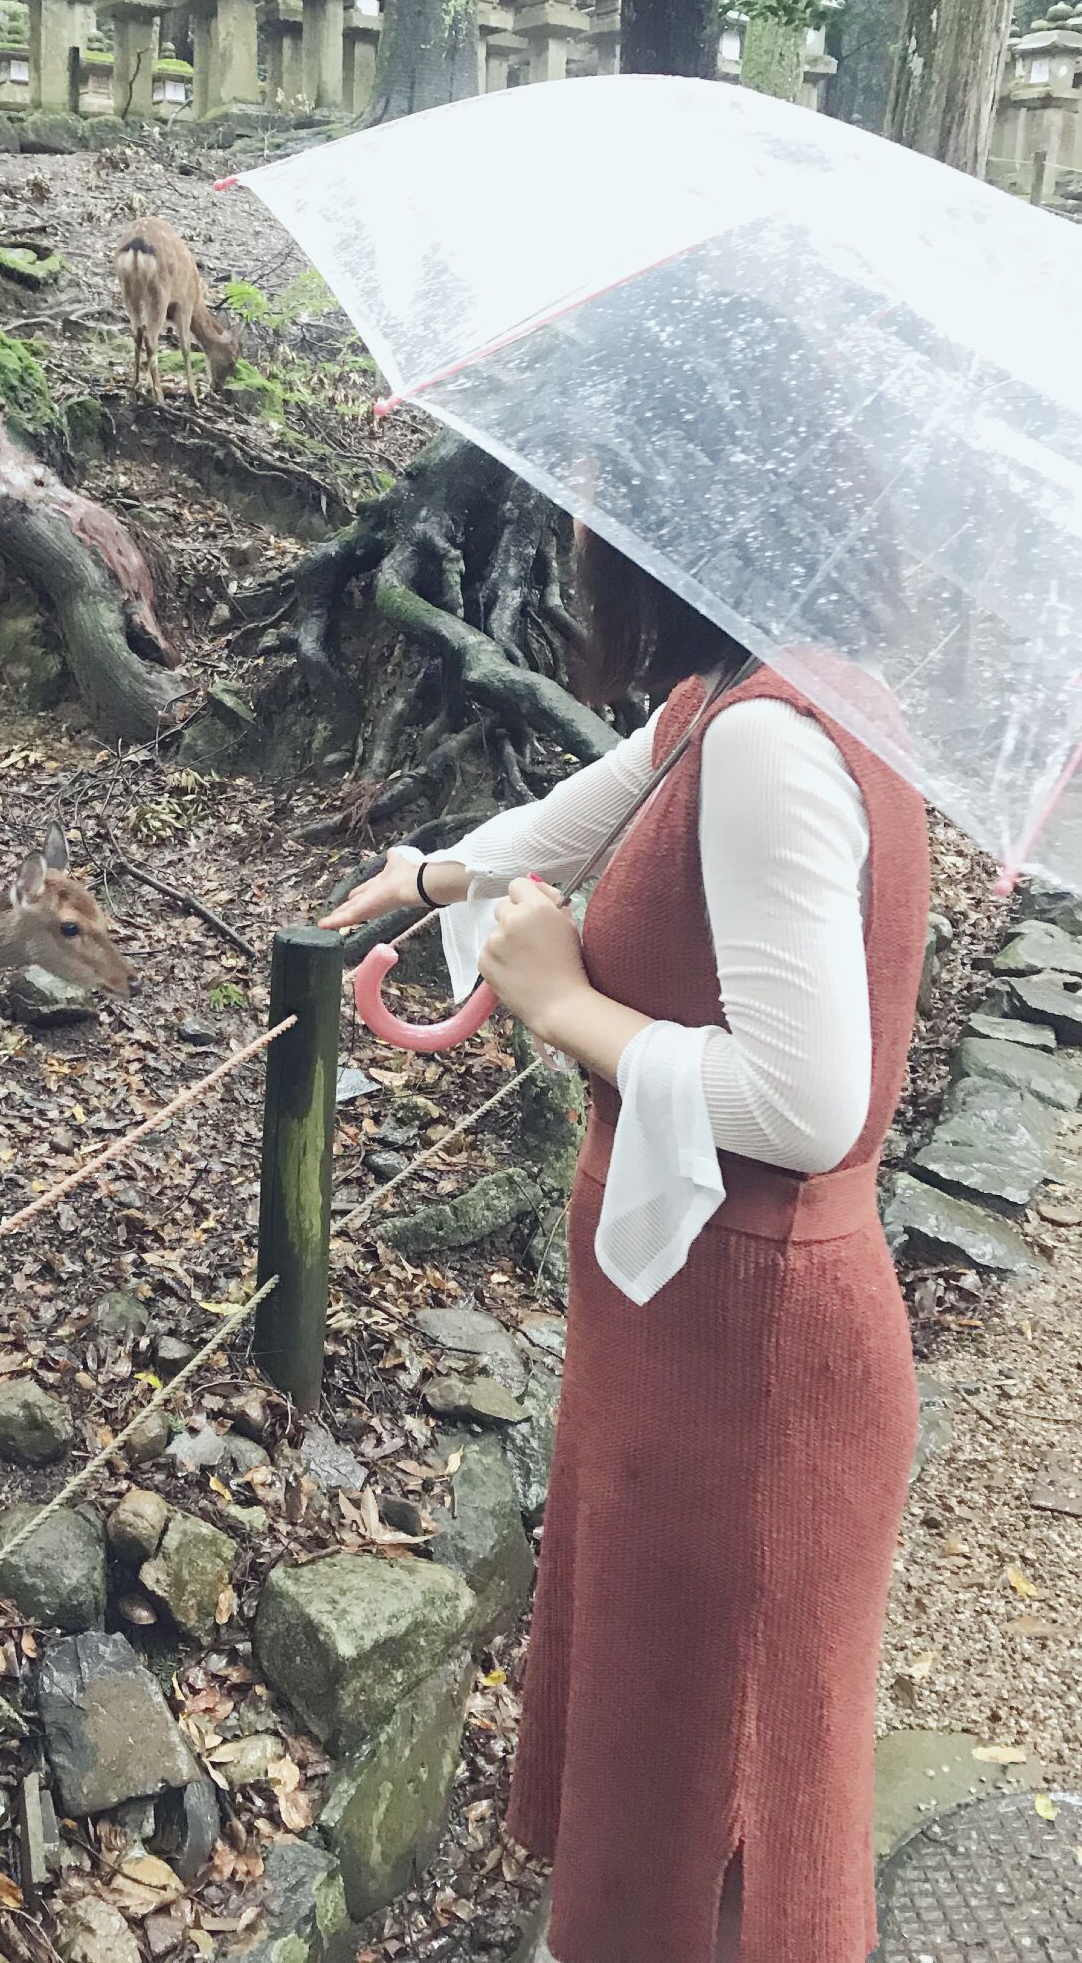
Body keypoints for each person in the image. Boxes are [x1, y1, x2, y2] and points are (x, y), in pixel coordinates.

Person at [321, 528, 930, 1963]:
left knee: (723, 1806)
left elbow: (807, 1101)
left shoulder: (771, 745)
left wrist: (556, 1002)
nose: (583, 536)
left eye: (605, 504)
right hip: (686, 1344)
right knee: (669, 1778)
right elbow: (570, 821)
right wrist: (423, 880)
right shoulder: (733, 705)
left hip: (752, 1370)